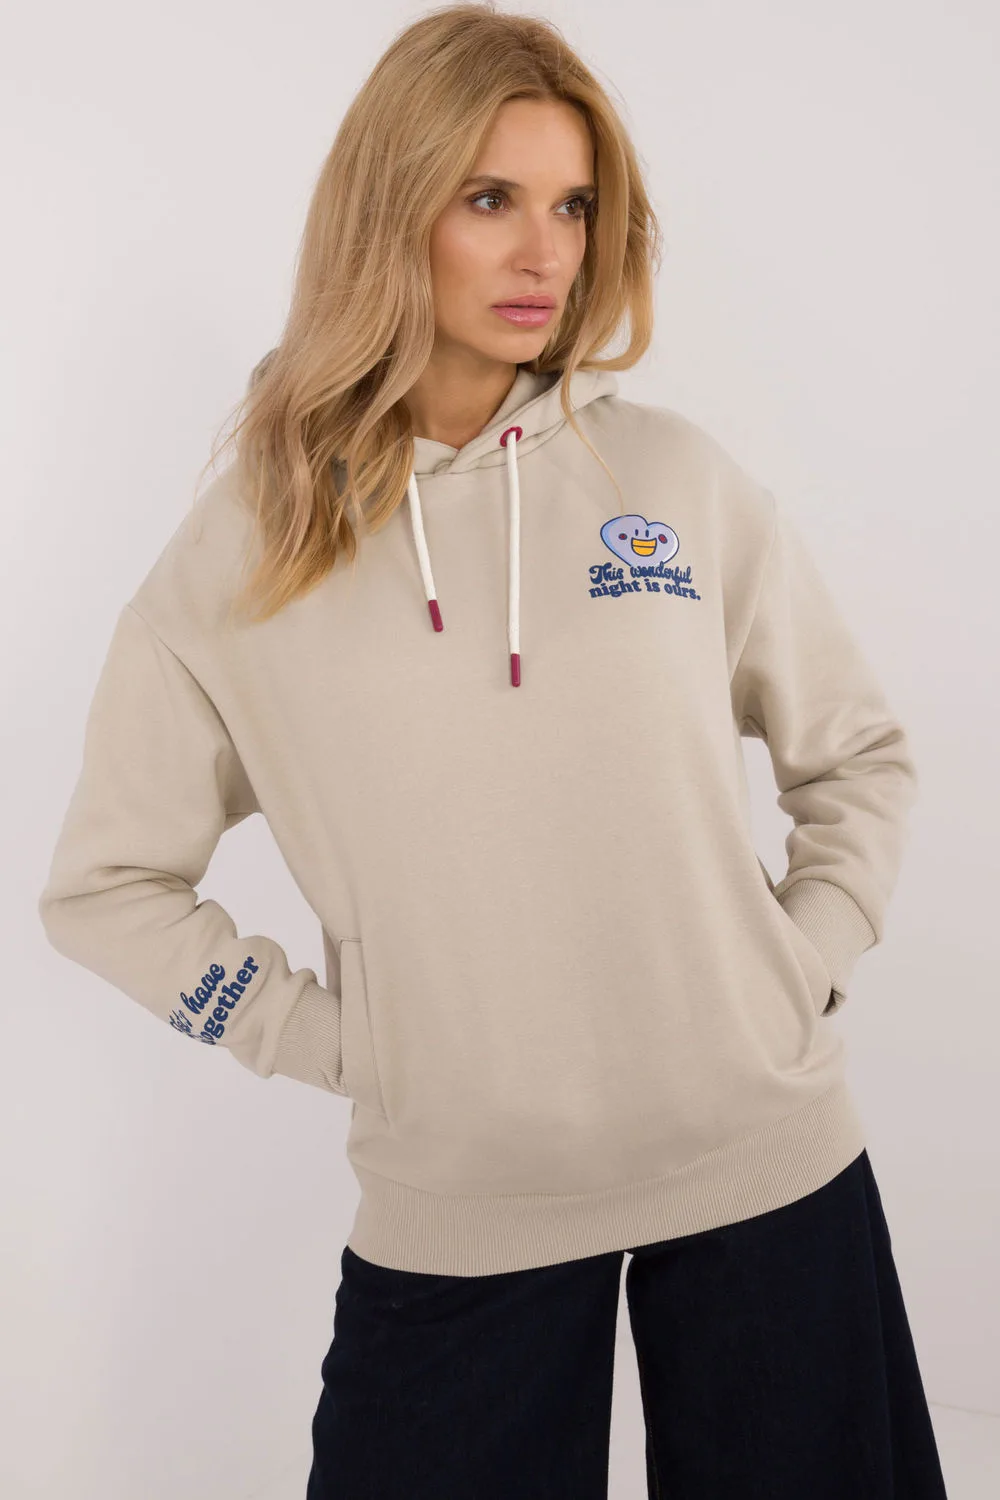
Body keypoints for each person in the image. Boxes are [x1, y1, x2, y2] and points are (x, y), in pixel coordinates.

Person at [37, 4, 949, 1496]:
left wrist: (805, 957)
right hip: (460, 1203)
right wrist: (330, 1040)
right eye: (490, 199)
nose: (545, 253)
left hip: (766, 1162)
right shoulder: (248, 555)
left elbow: (856, 756)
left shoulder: (669, 481)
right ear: (389, 213)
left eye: (573, 206)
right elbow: (104, 890)